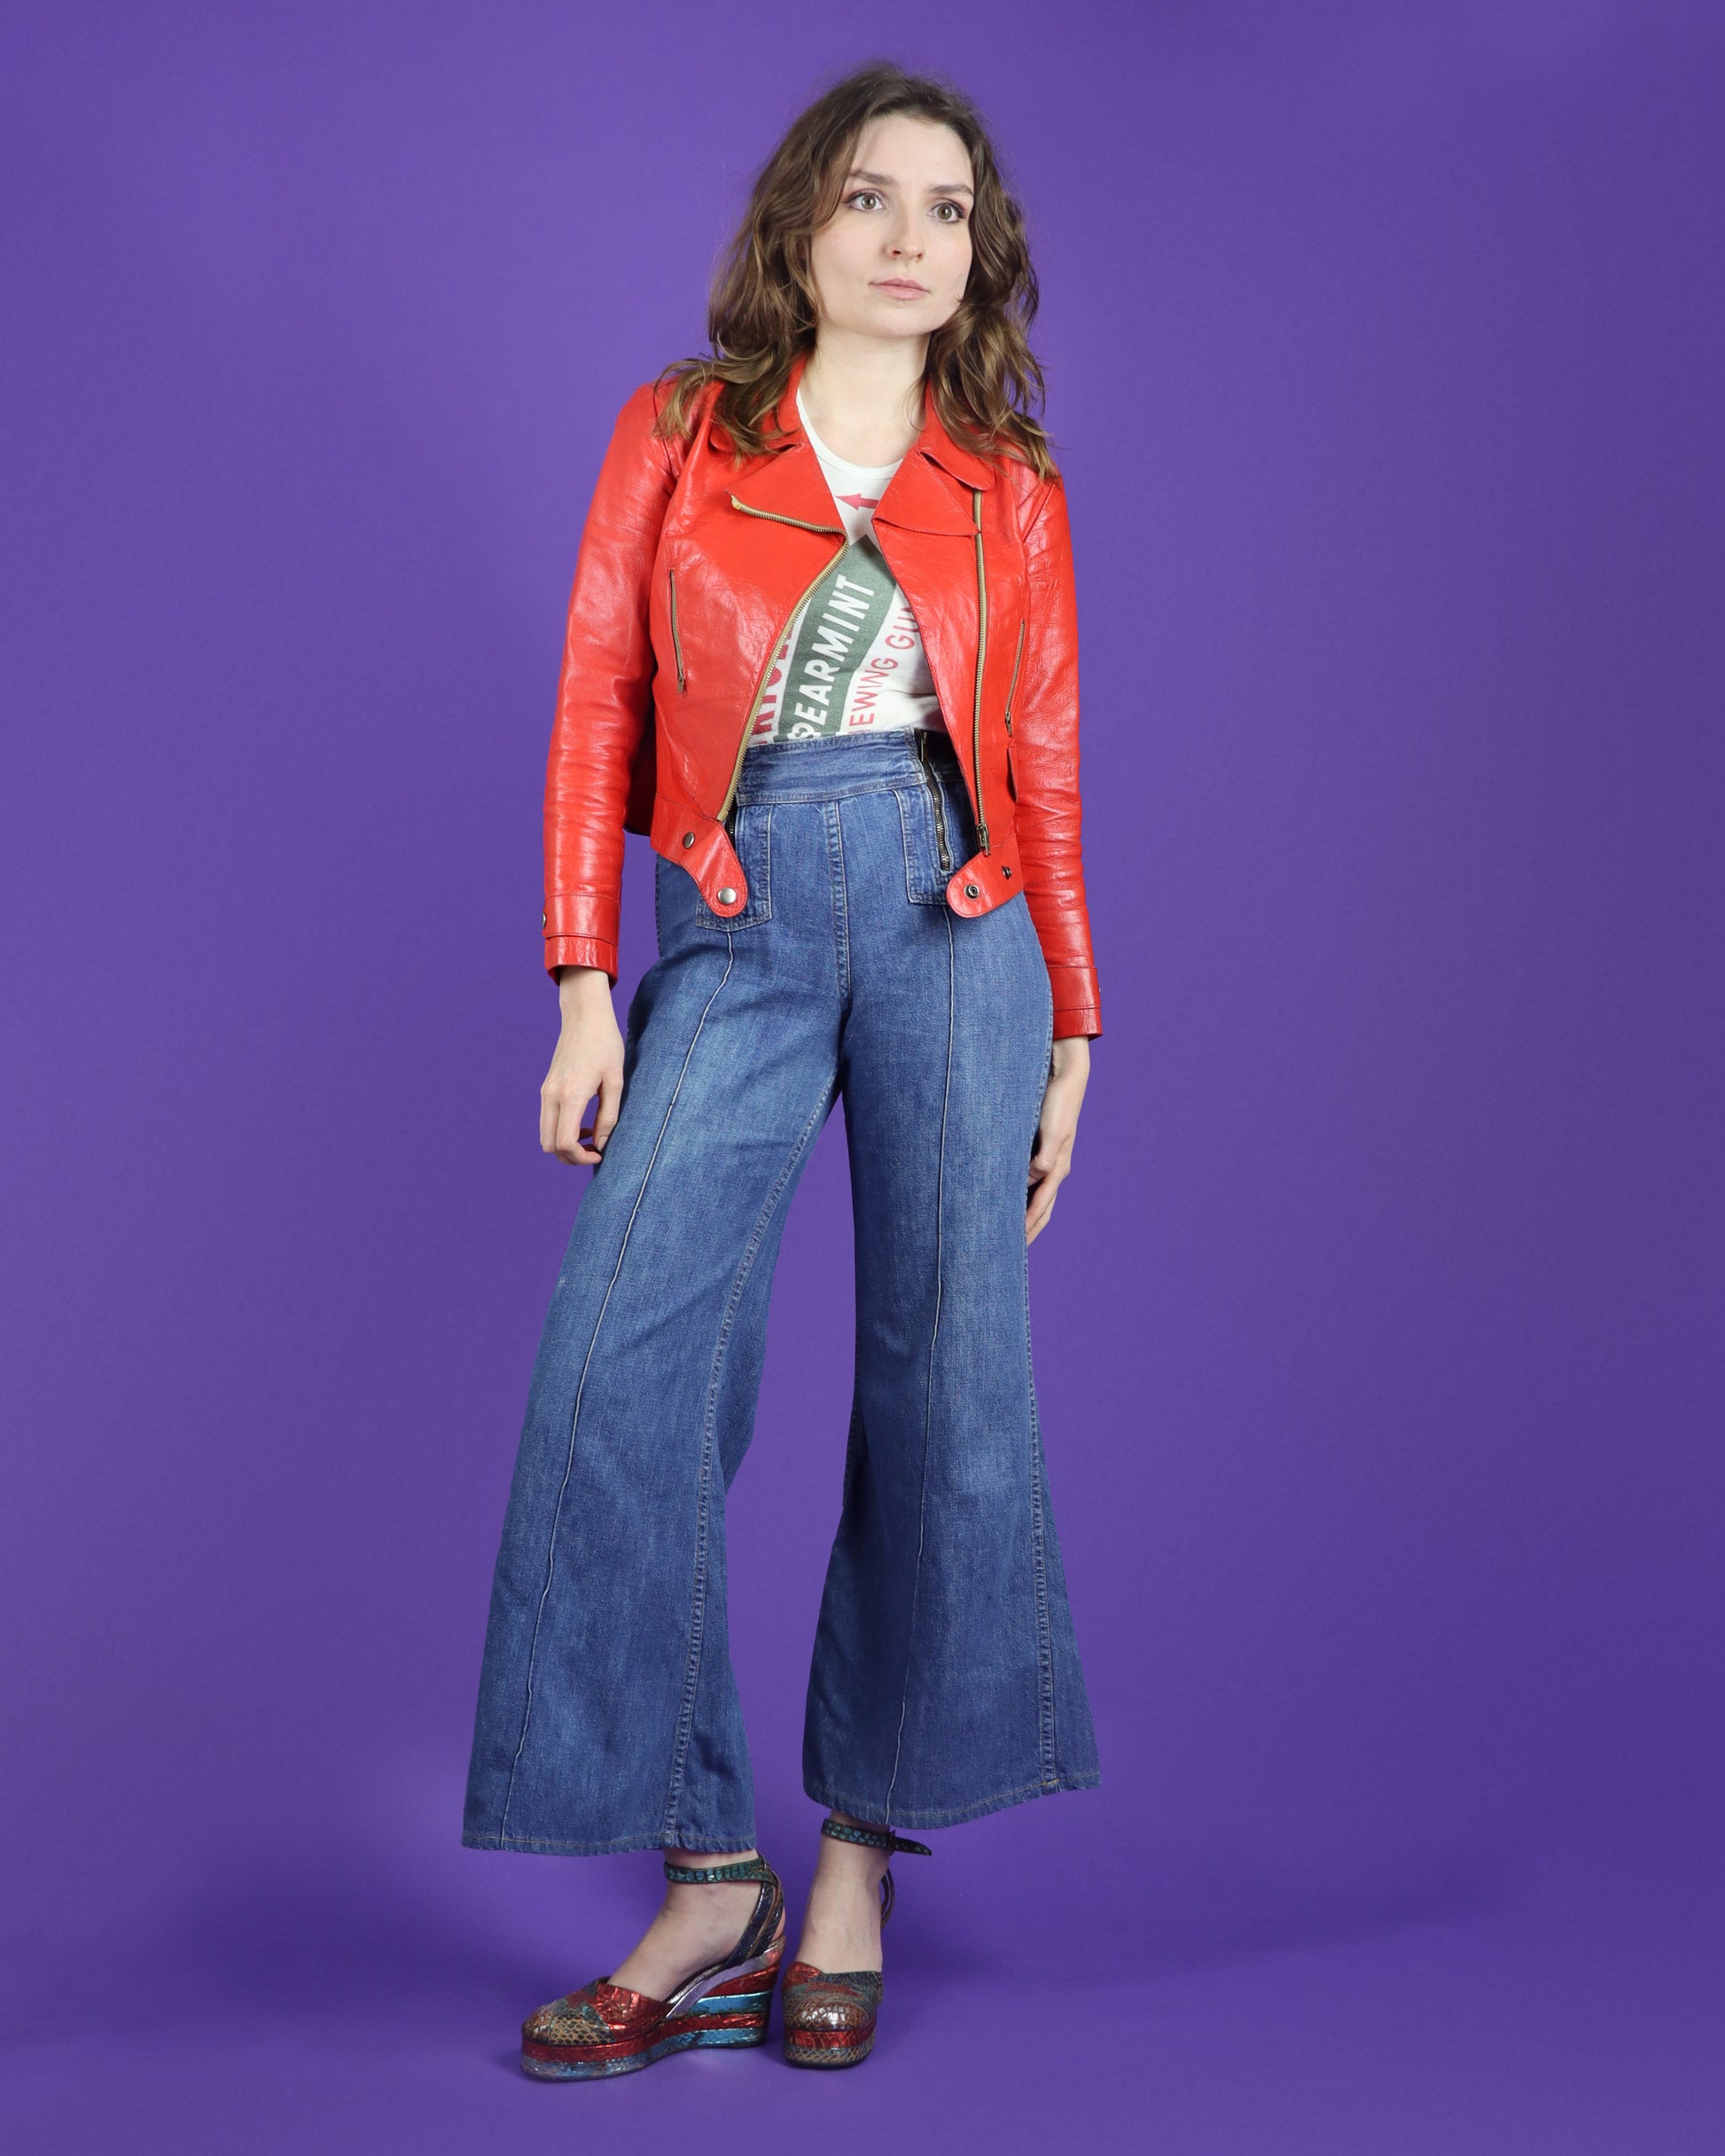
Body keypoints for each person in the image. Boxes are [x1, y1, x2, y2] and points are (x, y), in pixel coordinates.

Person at [460, 59, 1104, 2079]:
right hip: (732, 919)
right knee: (619, 1377)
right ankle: (705, 1870)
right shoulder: (680, 429)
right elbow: (599, 691)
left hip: (959, 923)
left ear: (977, 252)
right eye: (870, 197)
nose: (910, 238)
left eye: (947, 209)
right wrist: (584, 978)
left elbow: (1047, 762)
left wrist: (1078, 1022)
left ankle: (853, 1866)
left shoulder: (1011, 482)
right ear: (801, 225)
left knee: (946, 1386)